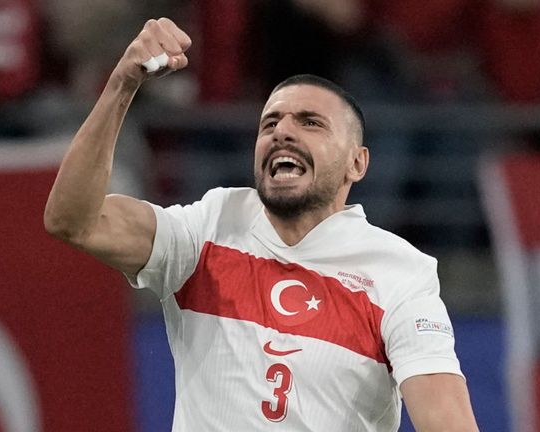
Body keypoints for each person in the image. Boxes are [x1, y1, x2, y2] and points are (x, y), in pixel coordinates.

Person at [44, 17, 479, 431]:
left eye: (310, 123)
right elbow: (72, 221)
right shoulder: (206, 230)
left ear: (357, 163)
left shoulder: (399, 273)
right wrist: (122, 84)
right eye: (270, 122)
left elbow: (447, 420)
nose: (282, 132)